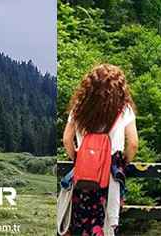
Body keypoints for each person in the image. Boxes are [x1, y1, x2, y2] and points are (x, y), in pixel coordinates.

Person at [56, 64, 140, 236]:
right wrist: (122, 164)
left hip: (83, 175)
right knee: (107, 222)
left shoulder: (79, 108)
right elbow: (133, 144)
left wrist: (79, 159)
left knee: (81, 224)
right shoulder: (124, 109)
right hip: (110, 175)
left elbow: (66, 139)